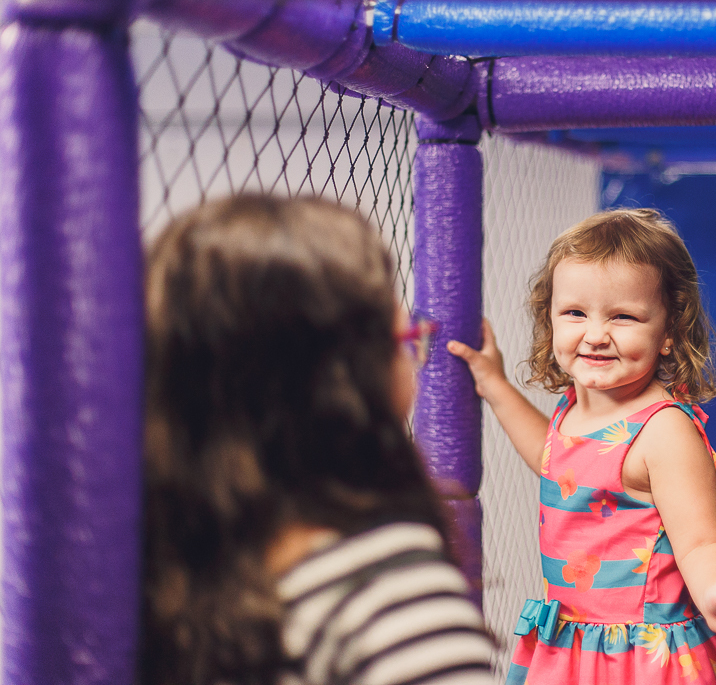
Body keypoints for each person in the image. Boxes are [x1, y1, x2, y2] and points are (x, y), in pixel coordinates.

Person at [139, 194, 493, 685]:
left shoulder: (155, 566)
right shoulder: (382, 589)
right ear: (341, 385)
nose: (415, 364)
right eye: (405, 343)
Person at [449, 208, 716, 685]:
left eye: (624, 316)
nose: (595, 335)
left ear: (670, 330)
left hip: (642, 656)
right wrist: (494, 385)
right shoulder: (575, 407)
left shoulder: (663, 431)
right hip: (574, 646)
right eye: (575, 313)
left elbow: (702, 541)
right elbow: (556, 461)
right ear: (550, 317)